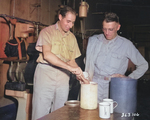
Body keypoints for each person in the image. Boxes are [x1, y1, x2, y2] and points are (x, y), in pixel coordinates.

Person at [32, 6, 88, 120]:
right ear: (60, 17)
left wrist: (82, 77)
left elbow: (72, 61)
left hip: (63, 76)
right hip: (45, 73)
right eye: (68, 21)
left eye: (72, 22)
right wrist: (70, 68)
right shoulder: (47, 32)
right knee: (41, 111)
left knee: (60, 112)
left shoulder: (72, 37)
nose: (70, 25)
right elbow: (47, 55)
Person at [85, 12, 148, 103]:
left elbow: (143, 65)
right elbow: (87, 61)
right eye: (104, 29)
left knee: (111, 115)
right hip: (94, 85)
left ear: (118, 27)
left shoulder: (126, 45)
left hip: (113, 86)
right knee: (90, 114)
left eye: (110, 29)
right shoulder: (93, 40)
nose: (107, 33)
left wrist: (128, 79)